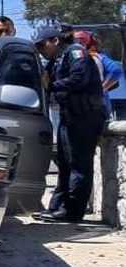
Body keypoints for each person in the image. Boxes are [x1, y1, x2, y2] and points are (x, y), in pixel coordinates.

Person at [34, 26, 105, 223]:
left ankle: (73, 211)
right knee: (65, 163)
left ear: (55, 41)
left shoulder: (75, 52)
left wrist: (53, 86)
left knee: (78, 164)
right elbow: (44, 80)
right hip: (70, 115)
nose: (40, 50)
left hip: (85, 117)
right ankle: (58, 206)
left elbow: (78, 79)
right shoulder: (56, 59)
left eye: (42, 45)